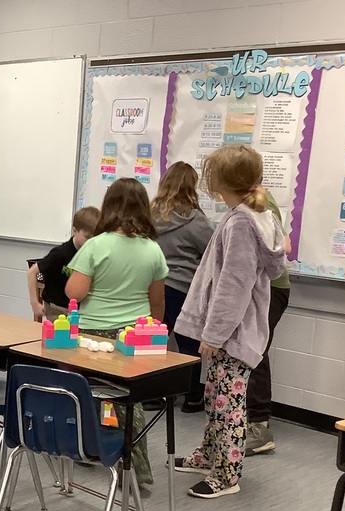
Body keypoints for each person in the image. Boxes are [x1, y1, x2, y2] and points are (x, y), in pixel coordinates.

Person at [173, 146, 286, 499]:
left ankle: (226, 474)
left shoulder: (241, 221)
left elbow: (233, 285)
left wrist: (214, 334)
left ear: (220, 181)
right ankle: (210, 454)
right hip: (233, 330)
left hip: (232, 332)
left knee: (228, 404)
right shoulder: (253, 214)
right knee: (216, 396)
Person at [65, 178, 168, 488]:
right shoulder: (152, 249)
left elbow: (75, 291)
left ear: (109, 207)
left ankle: (93, 448)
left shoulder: (97, 244)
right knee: (128, 400)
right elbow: (157, 301)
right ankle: (137, 466)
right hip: (134, 332)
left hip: (93, 333)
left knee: (93, 392)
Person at [151, 161, 215, 413]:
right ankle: (192, 397)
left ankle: (152, 395)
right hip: (182, 288)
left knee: (154, 341)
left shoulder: (150, 213)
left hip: (154, 285)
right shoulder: (195, 219)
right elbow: (211, 250)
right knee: (188, 342)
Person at [245, 191, 292, 457]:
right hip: (261, 286)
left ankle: (260, 428)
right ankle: (251, 423)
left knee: (256, 351)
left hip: (271, 287)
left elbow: (284, 246)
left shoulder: (260, 199)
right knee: (252, 350)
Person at [27, 207, 100, 321]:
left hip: (78, 309)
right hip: (57, 308)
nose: (91, 241)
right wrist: (34, 303)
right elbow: (32, 272)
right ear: (75, 231)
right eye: (87, 237)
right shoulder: (60, 253)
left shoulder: (92, 252)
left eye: (95, 237)